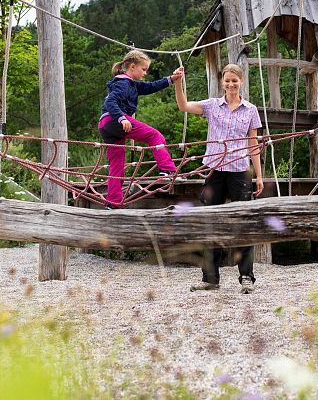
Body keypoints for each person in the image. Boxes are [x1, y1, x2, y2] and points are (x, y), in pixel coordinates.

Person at [174, 63, 264, 294]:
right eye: (227, 80)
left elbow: (253, 144)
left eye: (235, 80)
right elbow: (183, 106)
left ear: (241, 82)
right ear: (222, 82)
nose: (231, 84)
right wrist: (177, 83)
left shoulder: (250, 109)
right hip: (214, 170)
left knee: (243, 223)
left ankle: (246, 276)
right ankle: (211, 278)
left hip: (240, 171)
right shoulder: (212, 106)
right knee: (209, 222)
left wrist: (259, 176)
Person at [98, 50, 182, 209]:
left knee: (116, 164)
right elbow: (110, 102)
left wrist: (172, 79)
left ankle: (113, 201)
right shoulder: (123, 83)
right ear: (132, 66)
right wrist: (122, 118)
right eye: (143, 69)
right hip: (115, 120)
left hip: (105, 124)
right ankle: (167, 169)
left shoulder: (131, 84)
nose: (145, 73)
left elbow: (151, 86)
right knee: (154, 135)